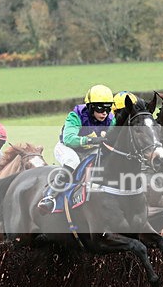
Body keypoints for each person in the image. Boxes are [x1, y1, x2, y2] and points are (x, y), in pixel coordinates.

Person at [40, 84, 116, 212]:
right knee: (72, 161)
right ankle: (50, 196)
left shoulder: (110, 118)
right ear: (90, 107)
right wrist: (91, 140)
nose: (104, 112)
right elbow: (69, 139)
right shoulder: (76, 115)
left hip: (90, 150)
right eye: (100, 108)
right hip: (67, 148)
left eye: (108, 108)